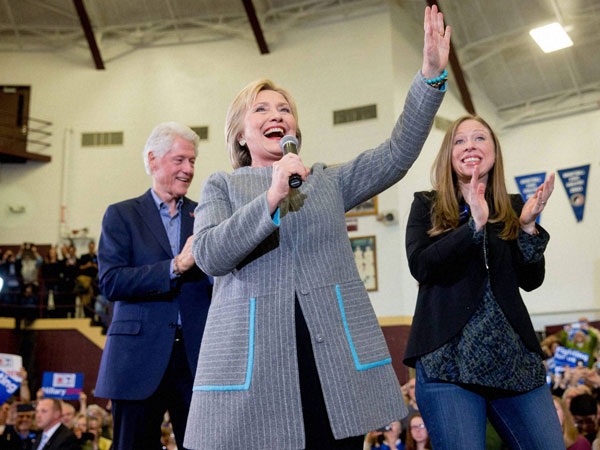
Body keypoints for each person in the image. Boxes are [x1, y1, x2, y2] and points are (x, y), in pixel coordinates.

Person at [183, 6, 450, 450]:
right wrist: (271, 197)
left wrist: (430, 77)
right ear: (240, 135)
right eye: (262, 109)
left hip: (332, 360)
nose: (277, 114)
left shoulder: (327, 181)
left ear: (294, 130)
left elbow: (397, 153)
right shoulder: (221, 186)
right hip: (258, 371)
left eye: (285, 109)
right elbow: (210, 255)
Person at [403, 114, 562, 449]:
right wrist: (472, 227)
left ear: (494, 151)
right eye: (459, 140)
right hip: (448, 361)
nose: (470, 146)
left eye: (480, 138)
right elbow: (422, 266)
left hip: (514, 359)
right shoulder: (426, 205)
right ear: (449, 153)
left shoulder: (514, 206)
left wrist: (529, 227)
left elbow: (531, 280)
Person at [94, 122, 213, 449]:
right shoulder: (121, 215)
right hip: (136, 359)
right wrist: (174, 267)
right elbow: (111, 281)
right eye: (180, 160)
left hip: (195, 358)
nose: (188, 169)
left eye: (192, 161)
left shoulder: (207, 215)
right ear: (153, 160)